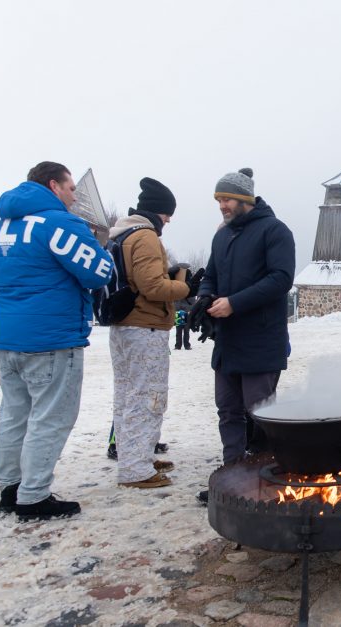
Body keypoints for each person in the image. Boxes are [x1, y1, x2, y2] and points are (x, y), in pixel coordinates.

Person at [0, 161, 112, 520]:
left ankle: (10, 488)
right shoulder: (59, 224)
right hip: (51, 337)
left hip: (7, 335)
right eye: (71, 189)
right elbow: (99, 271)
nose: (73, 197)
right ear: (54, 185)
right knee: (50, 418)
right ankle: (34, 496)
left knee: (14, 415)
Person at [189, 167, 295, 502]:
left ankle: (268, 478)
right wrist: (204, 297)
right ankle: (232, 477)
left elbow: (281, 279)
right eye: (218, 199)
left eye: (227, 198)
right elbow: (211, 275)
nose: (221, 205)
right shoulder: (222, 236)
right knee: (228, 409)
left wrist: (234, 303)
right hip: (228, 339)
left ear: (246, 198)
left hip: (262, 338)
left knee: (260, 411)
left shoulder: (275, 231)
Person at [108, 178, 198, 489]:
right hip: (144, 327)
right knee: (148, 396)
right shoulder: (145, 236)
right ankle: (136, 470)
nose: (168, 221)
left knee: (126, 395)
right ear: (156, 212)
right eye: (166, 215)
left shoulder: (123, 233)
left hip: (125, 326)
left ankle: (135, 456)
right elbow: (153, 287)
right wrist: (185, 286)